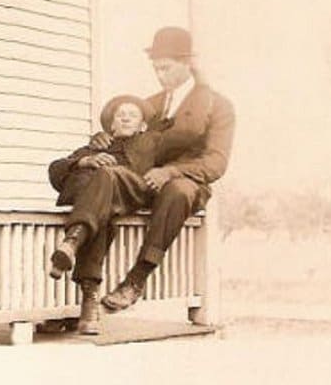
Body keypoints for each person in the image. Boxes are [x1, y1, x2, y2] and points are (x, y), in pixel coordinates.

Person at [93, 26, 235, 313]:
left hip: (186, 183)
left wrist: (170, 172)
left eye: (166, 68)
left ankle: (136, 278)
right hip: (145, 180)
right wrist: (103, 141)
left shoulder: (219, 106)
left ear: (187, 64)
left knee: (177, 191)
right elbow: (128, 140)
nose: (160, 75)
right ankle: (84, 291)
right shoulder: (149, 105)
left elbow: (216, 163)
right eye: (156, 69)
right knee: (104, 181)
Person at [41, 94, 162, 334]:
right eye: (120, 114)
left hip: (132, 190)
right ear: (111, 124)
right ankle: (89, 306)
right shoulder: (96, 146)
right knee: (102, 216)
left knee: (106, 176)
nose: (126, 117)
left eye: (132, 114)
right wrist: (85, 161)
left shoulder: (151, 142)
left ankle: (73, 240)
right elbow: (55, 170)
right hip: (100, 205)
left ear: (143, 125)